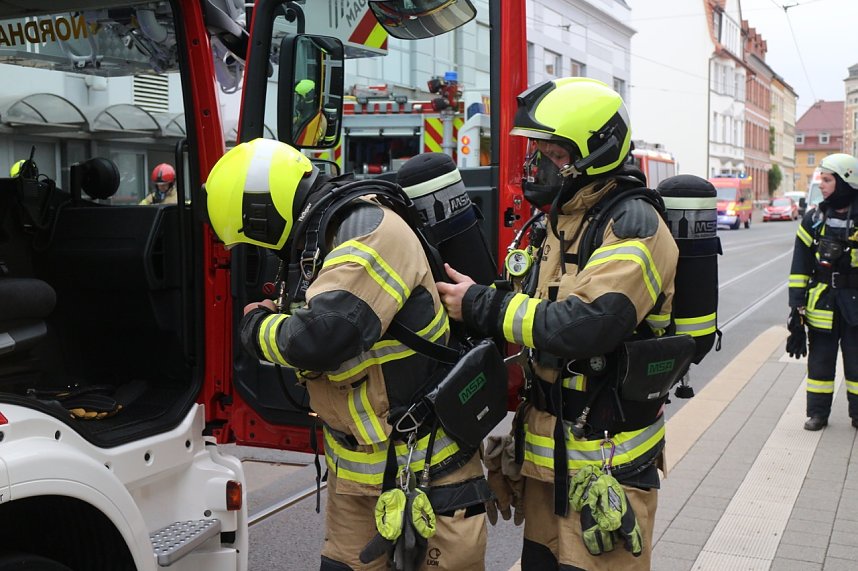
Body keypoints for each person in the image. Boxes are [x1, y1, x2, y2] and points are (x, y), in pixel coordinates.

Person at [204, 138, 490, 571]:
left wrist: (255, 326)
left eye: (253, 235)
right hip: (358, 477)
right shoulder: (321, 235)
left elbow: (322, 338)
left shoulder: (369, 232)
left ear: (263, 213)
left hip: (430, 471)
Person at [436, 77, 679, 570]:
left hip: (605, 463)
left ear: (595, 153)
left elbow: (590, 324)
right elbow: (538, 303)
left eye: (552, 152)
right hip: (553, 461)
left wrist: (483, 306)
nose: (537, 163)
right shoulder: (562, 219)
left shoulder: (633, 224)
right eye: (537, 150)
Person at [787, 152, 858, 431]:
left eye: (827, 180)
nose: (823, 185)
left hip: (854, 306)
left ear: (845, 181)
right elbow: (799, 266)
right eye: (822, 179)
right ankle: (817, 414)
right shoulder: (814, 219)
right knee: (820, 364)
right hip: (822, 304)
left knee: (856, 363)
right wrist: (795, 310)